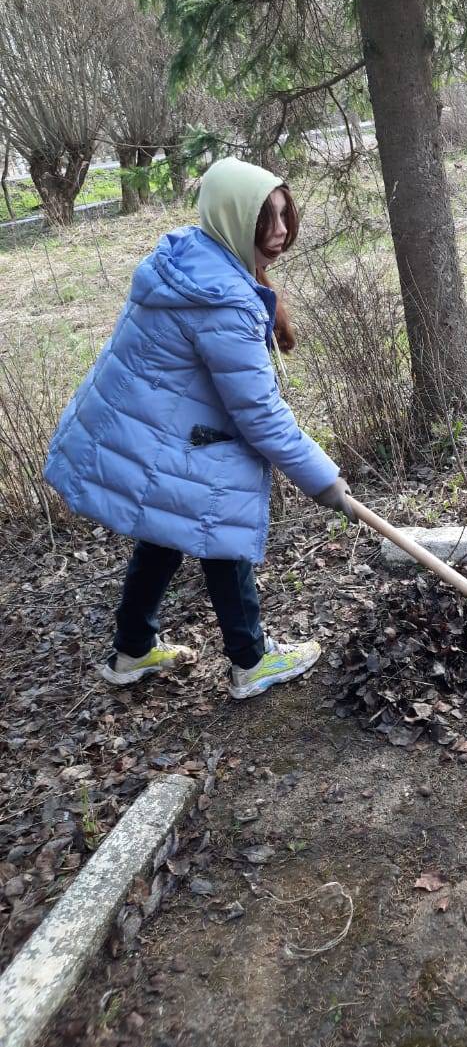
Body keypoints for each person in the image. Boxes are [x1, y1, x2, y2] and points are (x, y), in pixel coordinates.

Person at [45, 156, 356, 700]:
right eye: (265, 220)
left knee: (165, 526)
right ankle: (250, 661)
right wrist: (324, 481)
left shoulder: (192, 256)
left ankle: (132, 650)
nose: (279, 233)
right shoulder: (224, 301)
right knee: (218, 512)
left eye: (285, 216)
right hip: (159, 434)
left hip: (140, 428)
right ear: (233, 219)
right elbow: (259, 414)